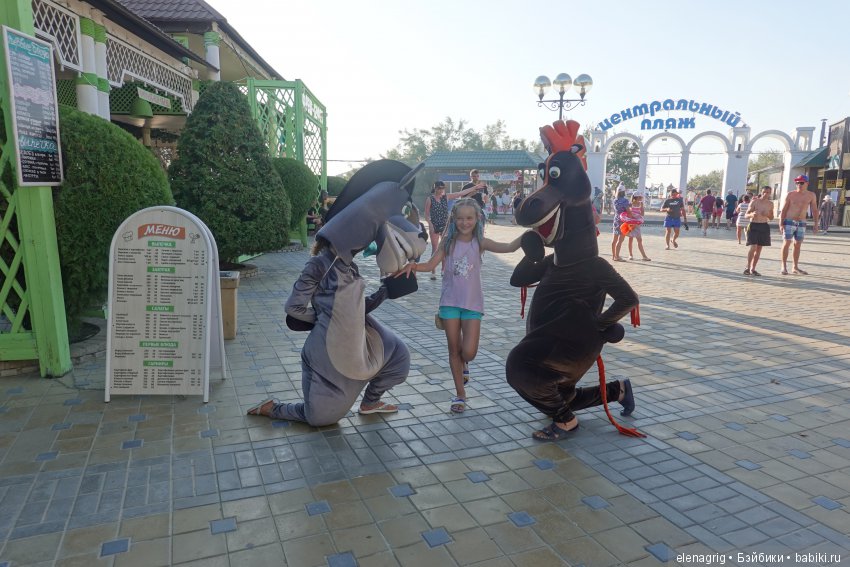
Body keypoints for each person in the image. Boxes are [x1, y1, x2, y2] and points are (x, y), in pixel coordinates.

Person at [395, 198, 524, 413]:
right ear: (454, 219)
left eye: (469, 218)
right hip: (449, 303)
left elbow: (509, 248)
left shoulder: (480, 242)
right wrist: (413, 266)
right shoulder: (448, 242)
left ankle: (465, 364)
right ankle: (460, 395)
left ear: (477, 219)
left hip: (472, 305)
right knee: (453, 350)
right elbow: (430, 265)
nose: (465, 222)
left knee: (469, 352)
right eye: (461, 218)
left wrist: (530, 233)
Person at [424, 181, 477, 280]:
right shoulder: (430, 199)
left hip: (445, 225)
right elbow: (426, 214)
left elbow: (460, 194)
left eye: (442, 188)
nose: (440, 190)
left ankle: (443, 270)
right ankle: (433, 271)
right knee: (435, 248)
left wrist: (474, 188)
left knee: (445, 248)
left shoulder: (446, 197)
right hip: (434, 225)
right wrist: (430, 224)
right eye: (438, 188)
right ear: (435, 188)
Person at [779, 175, 819, 275]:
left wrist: (816, 223)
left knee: (797, 244)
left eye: (801, 183)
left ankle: (795, 267)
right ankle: (783, 266)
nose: (799, 185)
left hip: (802, 222)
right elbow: (784, 209)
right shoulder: (790, 194)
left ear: (807, 183)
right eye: (797, 183)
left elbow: (814, 210)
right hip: (789, 220)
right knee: (787, 243)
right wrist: (781, 223)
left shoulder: (811, 195)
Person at [743, 186, 774, 276]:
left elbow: (771, 217)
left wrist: (767, 214)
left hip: (764, 226)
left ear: (770, 193)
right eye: (764, 192)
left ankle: (753, 269)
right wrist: (752, 214)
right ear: (761, 192)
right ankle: (747, 267)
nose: (765, 194)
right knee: (753, 247)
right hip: (754, 225)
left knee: (759, 249)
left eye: (768, 192)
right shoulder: (754, 201)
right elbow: (746, 215)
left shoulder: (770, 204)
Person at [624, 194, 651, 261]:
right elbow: (628, 214)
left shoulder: (640, 204)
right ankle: (630, 255)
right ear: (635, 197)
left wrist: (642, 207)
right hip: (631, 224)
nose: (640, 198)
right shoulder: (630, 204)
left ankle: (644, 256)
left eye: (641, 197)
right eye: (639, 197)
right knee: (631, 239)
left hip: (637, 224)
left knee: (639, 240)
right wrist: (632, 220)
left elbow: (642, 215)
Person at [611, 187, 629, 261]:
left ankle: (613, 256)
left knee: (614, 240)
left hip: (616, 220)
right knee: (620, 240)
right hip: (623, 221)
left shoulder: (615, 200)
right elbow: (628, 211)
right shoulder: (625, 201)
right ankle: (617, 256)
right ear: (624, 192)